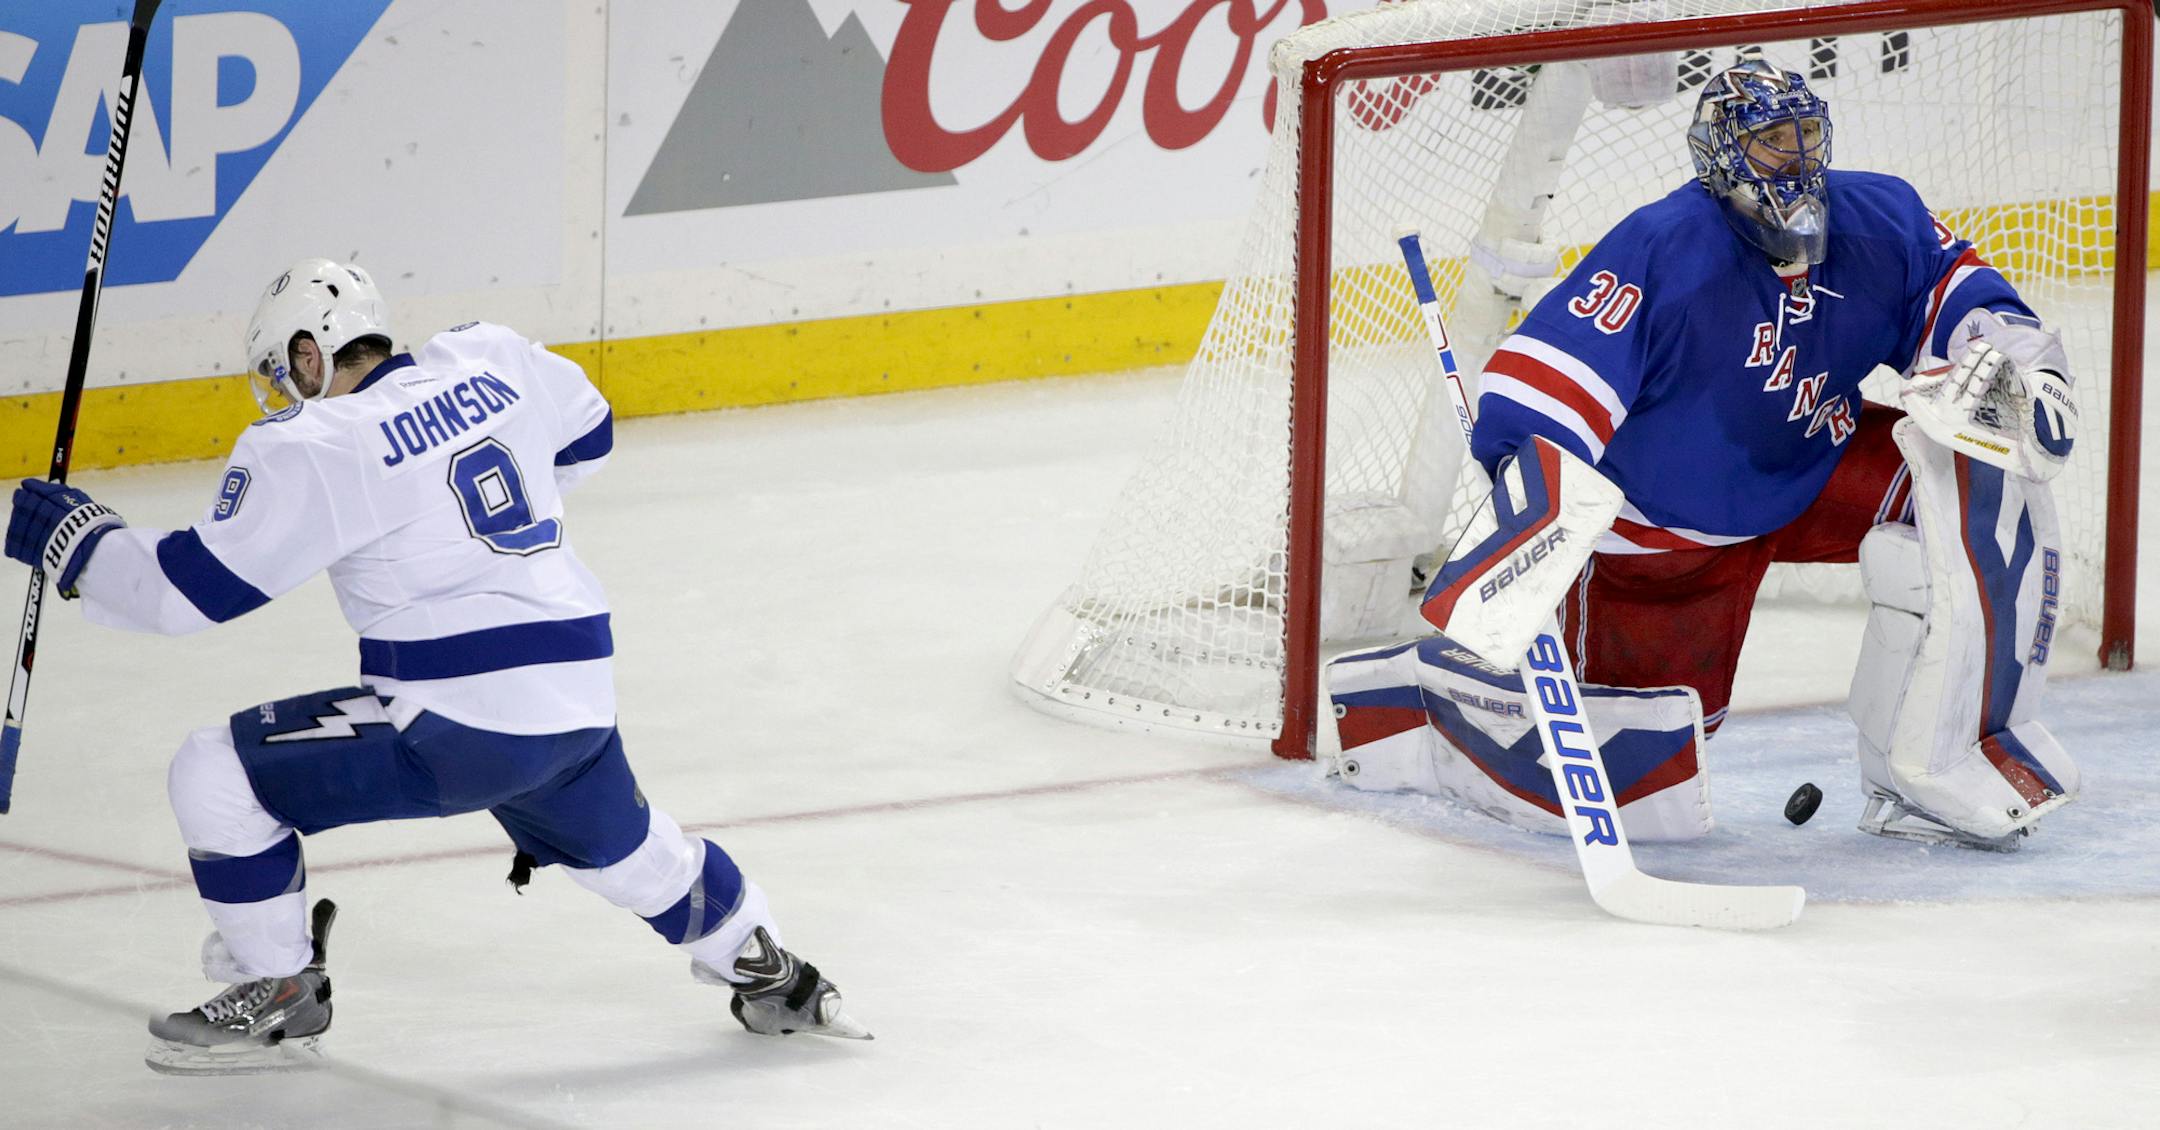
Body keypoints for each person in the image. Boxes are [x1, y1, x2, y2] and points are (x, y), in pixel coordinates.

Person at [4, 258, 867, 1076]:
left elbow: (186, 593)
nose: (282, 390)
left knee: (216, 773)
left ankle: (281, 987)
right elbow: (591, 436)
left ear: (312, 352)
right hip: (576, 702)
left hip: (456, 724)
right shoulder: (489, 353)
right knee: (636, 854)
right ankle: (774, 971)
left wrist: (78, 545)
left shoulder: (322, 441)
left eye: (283, 368)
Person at [1328, 61, 2079, 851]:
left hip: (1810, 468)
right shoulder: (1665, 247)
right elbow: (1542, 379)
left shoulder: (1878, 216)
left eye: (1806, 135)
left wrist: (2024, 365)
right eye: (1769, 144)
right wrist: (1533, 495)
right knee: (1644, 791)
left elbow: (1955, 287)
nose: (1795, 159)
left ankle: (1935, 762)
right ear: (1721, 156)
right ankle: (1428, 698)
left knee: (1977, 478)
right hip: (1661, 539)